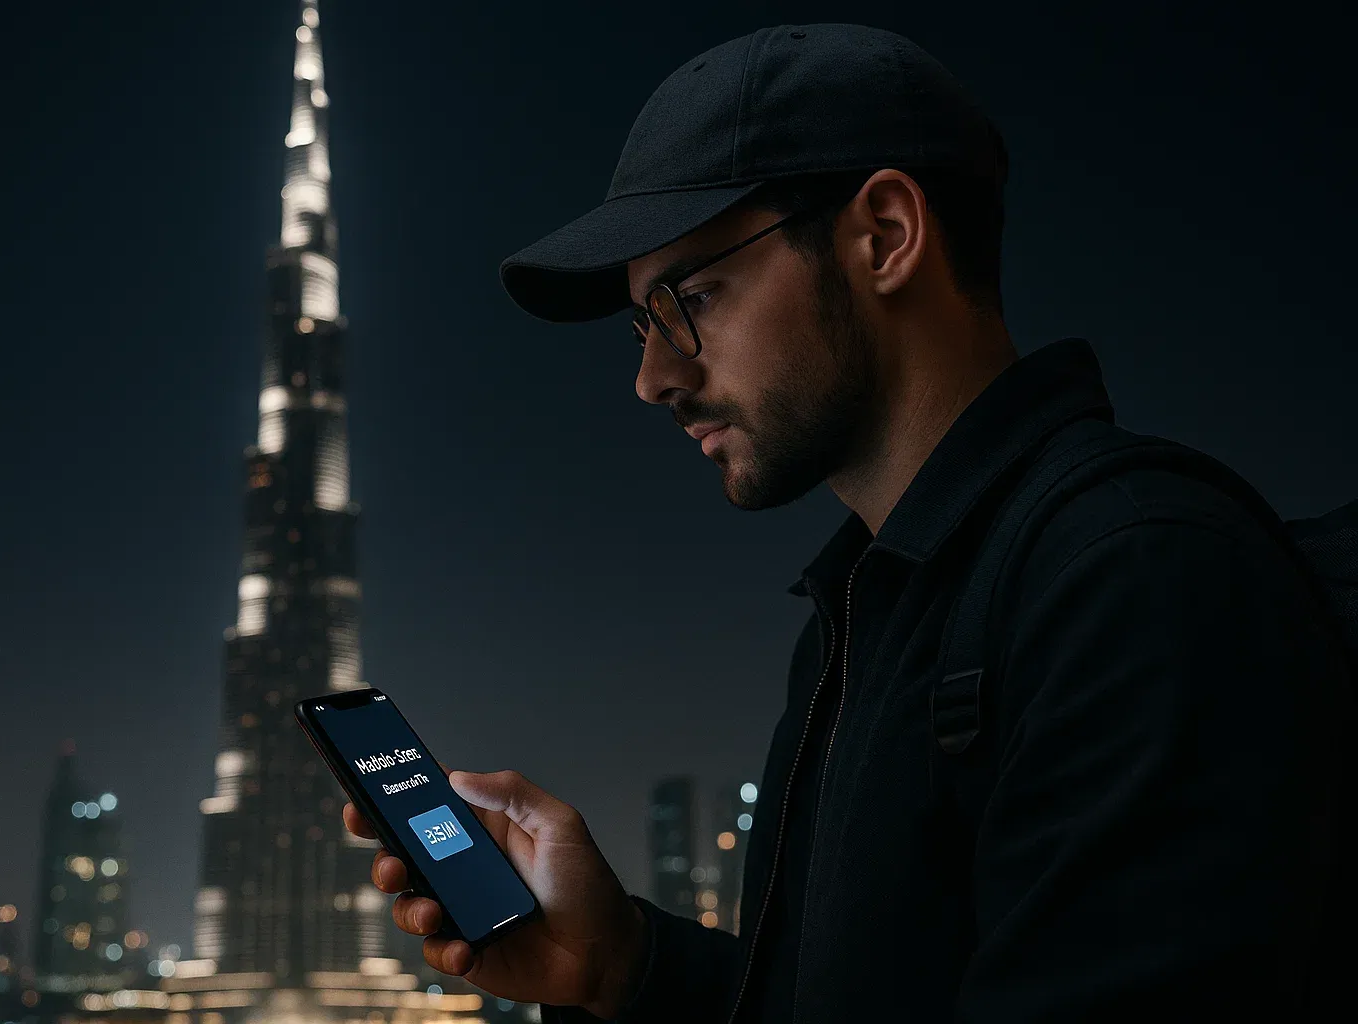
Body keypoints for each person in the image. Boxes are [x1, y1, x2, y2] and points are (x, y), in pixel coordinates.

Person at [341, 23, 1356, 1021]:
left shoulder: (1131, 583)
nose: (655, 377)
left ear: (884, 236)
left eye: (693, 296)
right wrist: (621, 966)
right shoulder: (870, 614)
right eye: (644, 324)